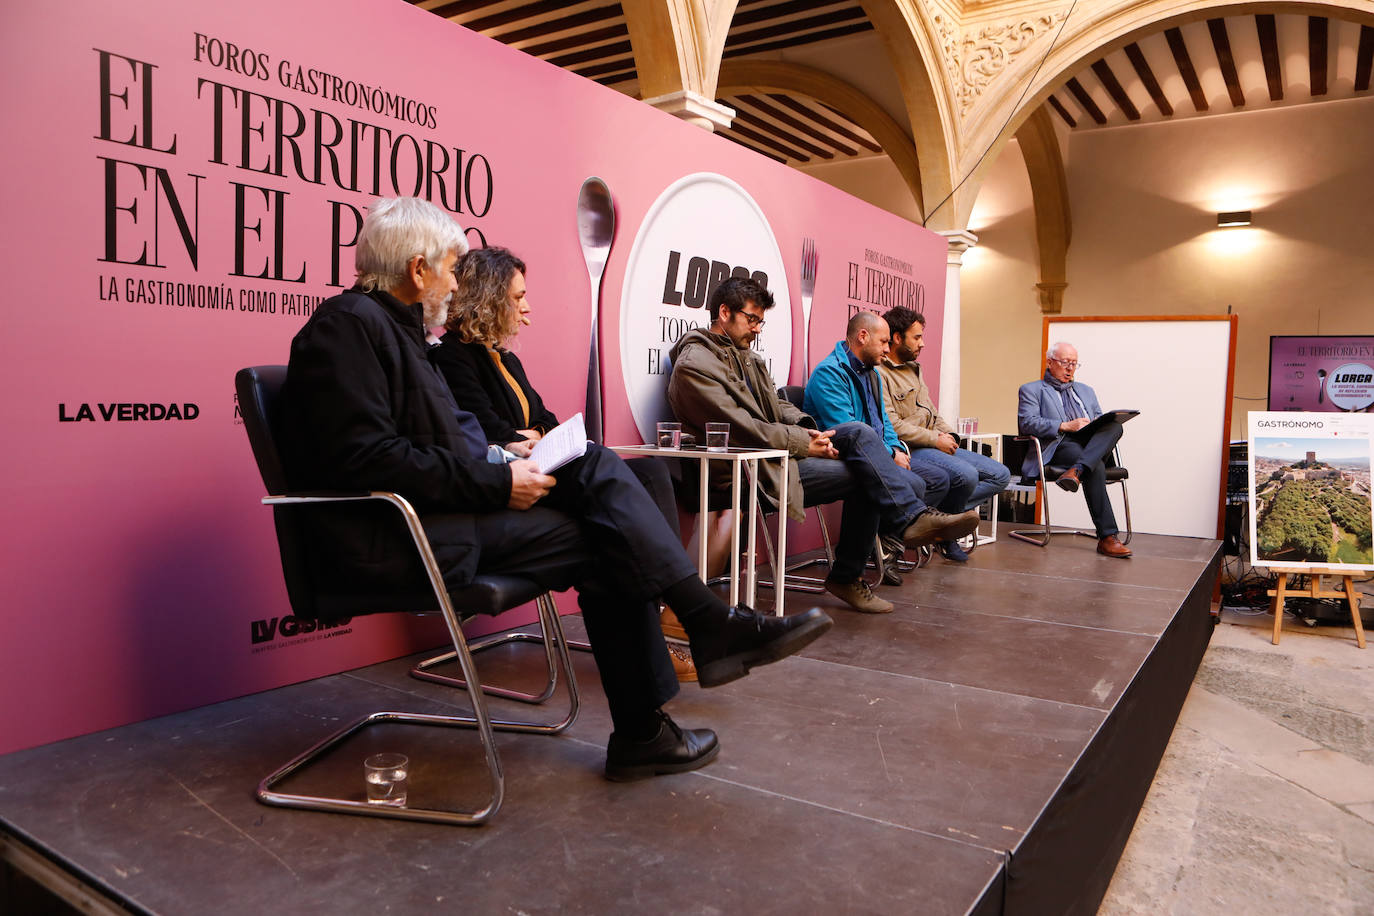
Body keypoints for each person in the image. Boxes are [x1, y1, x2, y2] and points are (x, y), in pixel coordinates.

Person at [280, 197, 834, 782]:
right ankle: (676, 674)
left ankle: (693, 645)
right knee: (604, 532)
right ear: (418, 270)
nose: (454, 280)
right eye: (449, 265)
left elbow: (436, 442)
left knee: (594, 475)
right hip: (395, 536)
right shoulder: (347, 328)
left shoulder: (398, 330)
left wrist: (504, 456)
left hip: (442, 514)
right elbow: (366, 458)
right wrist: (497, 477)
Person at [431, 245, 697, 682]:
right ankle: (663, 615)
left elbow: (546, 421)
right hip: (509, 487)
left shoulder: (506, 358)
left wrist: (533, 435)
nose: (527, 309)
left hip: (540, 471)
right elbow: (491, 434)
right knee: (613, 510)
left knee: (650, 471)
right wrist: (530, 435)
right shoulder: (451, 358)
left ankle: (663, 608)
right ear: (489, 297)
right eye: (517, 298)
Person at [666, 277, 979, 615]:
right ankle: (881, 544)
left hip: (774, 456)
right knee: (865, 467)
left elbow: (775, 407)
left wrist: (810, 431)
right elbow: (743, 429)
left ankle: (905, 522)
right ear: (724, 312)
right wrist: (804, 443)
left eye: (760, 321)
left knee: (859, 438)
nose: (757, 329)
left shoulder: (746, 357)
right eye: (751, 319)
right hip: (741, 471)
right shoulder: (695, 364)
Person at [804, 312, 971, 565]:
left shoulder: (871, 373)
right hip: (840, 453)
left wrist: (894, 447)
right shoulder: (829, 373)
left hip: (870, 452)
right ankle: (898, 536)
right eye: (883, 342)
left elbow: (884, 422)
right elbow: (846, 431)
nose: (887, 348)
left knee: (924, 480)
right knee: (915, 482)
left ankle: (891, 543)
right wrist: (889, 454)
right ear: (863, 336)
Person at [878, 306, 1011, 560]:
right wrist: (934, 439)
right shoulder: (880, 373)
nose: (923, 343)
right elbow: (892, 425)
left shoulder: (914, 369)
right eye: (917, 337)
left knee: (1000, 475)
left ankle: (942, 520)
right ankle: (944, 531)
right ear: (897, 338)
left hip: (934, 443)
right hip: (913, 448)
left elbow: (932, 412)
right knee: (967, 475)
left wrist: (950, 435)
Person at [1017, 341, 1132, 558]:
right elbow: (1027, 423)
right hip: (1060, 444)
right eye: (1065, 363)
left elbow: (1098, 417)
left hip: (1089, 444)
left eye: (1074, 364)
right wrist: (1064, 426)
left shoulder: (1086, 391)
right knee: (1095, 464)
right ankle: (1108, 537)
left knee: (1114, 425)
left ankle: (1077, 471)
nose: (1070, 368)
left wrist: (1096, 424)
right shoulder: (1032, 390)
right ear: (1050, 362)